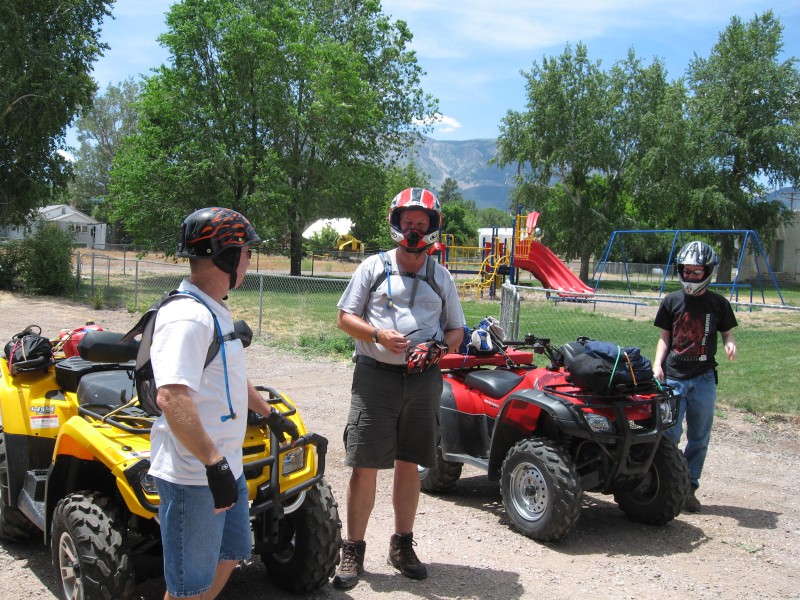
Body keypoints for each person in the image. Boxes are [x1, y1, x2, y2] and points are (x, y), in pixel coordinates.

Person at [148, 207, 299, 600]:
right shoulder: (187, 317)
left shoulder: (213, 309)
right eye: (247, 252)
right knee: (188, 585)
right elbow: (171, 397)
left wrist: (270, 414)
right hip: (195, 475)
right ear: (227, 256)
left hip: (224, 465)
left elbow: (229, 376)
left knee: (231, 554)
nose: (250, 260)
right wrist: (213, 464)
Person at [334, 188, 466, 589]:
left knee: (410, 462)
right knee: (364, 464)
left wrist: (438, 348)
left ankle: (402, 545)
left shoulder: (441, 276)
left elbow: (457, 330)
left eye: (421, 224)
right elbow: (344, 317)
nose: (414, 230)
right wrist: (377, 335)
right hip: (375, 376)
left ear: (432, 227)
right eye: (408, 222)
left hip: (423, 380)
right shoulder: (373, 267)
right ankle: (353, 549)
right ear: (396, 223)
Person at [653, 240, 738, 513]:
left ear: (707, 271)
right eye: (686, 271)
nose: (690, 276)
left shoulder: (718, 303)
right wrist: (657, 365)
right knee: (670, 434)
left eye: (696, 271)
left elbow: (727, 333)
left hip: (704, 378)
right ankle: (668, 485)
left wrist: (730, 344)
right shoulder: (672, 301)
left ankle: (689, 487)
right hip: (675, 377)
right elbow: (664, 338)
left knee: (699, 436)